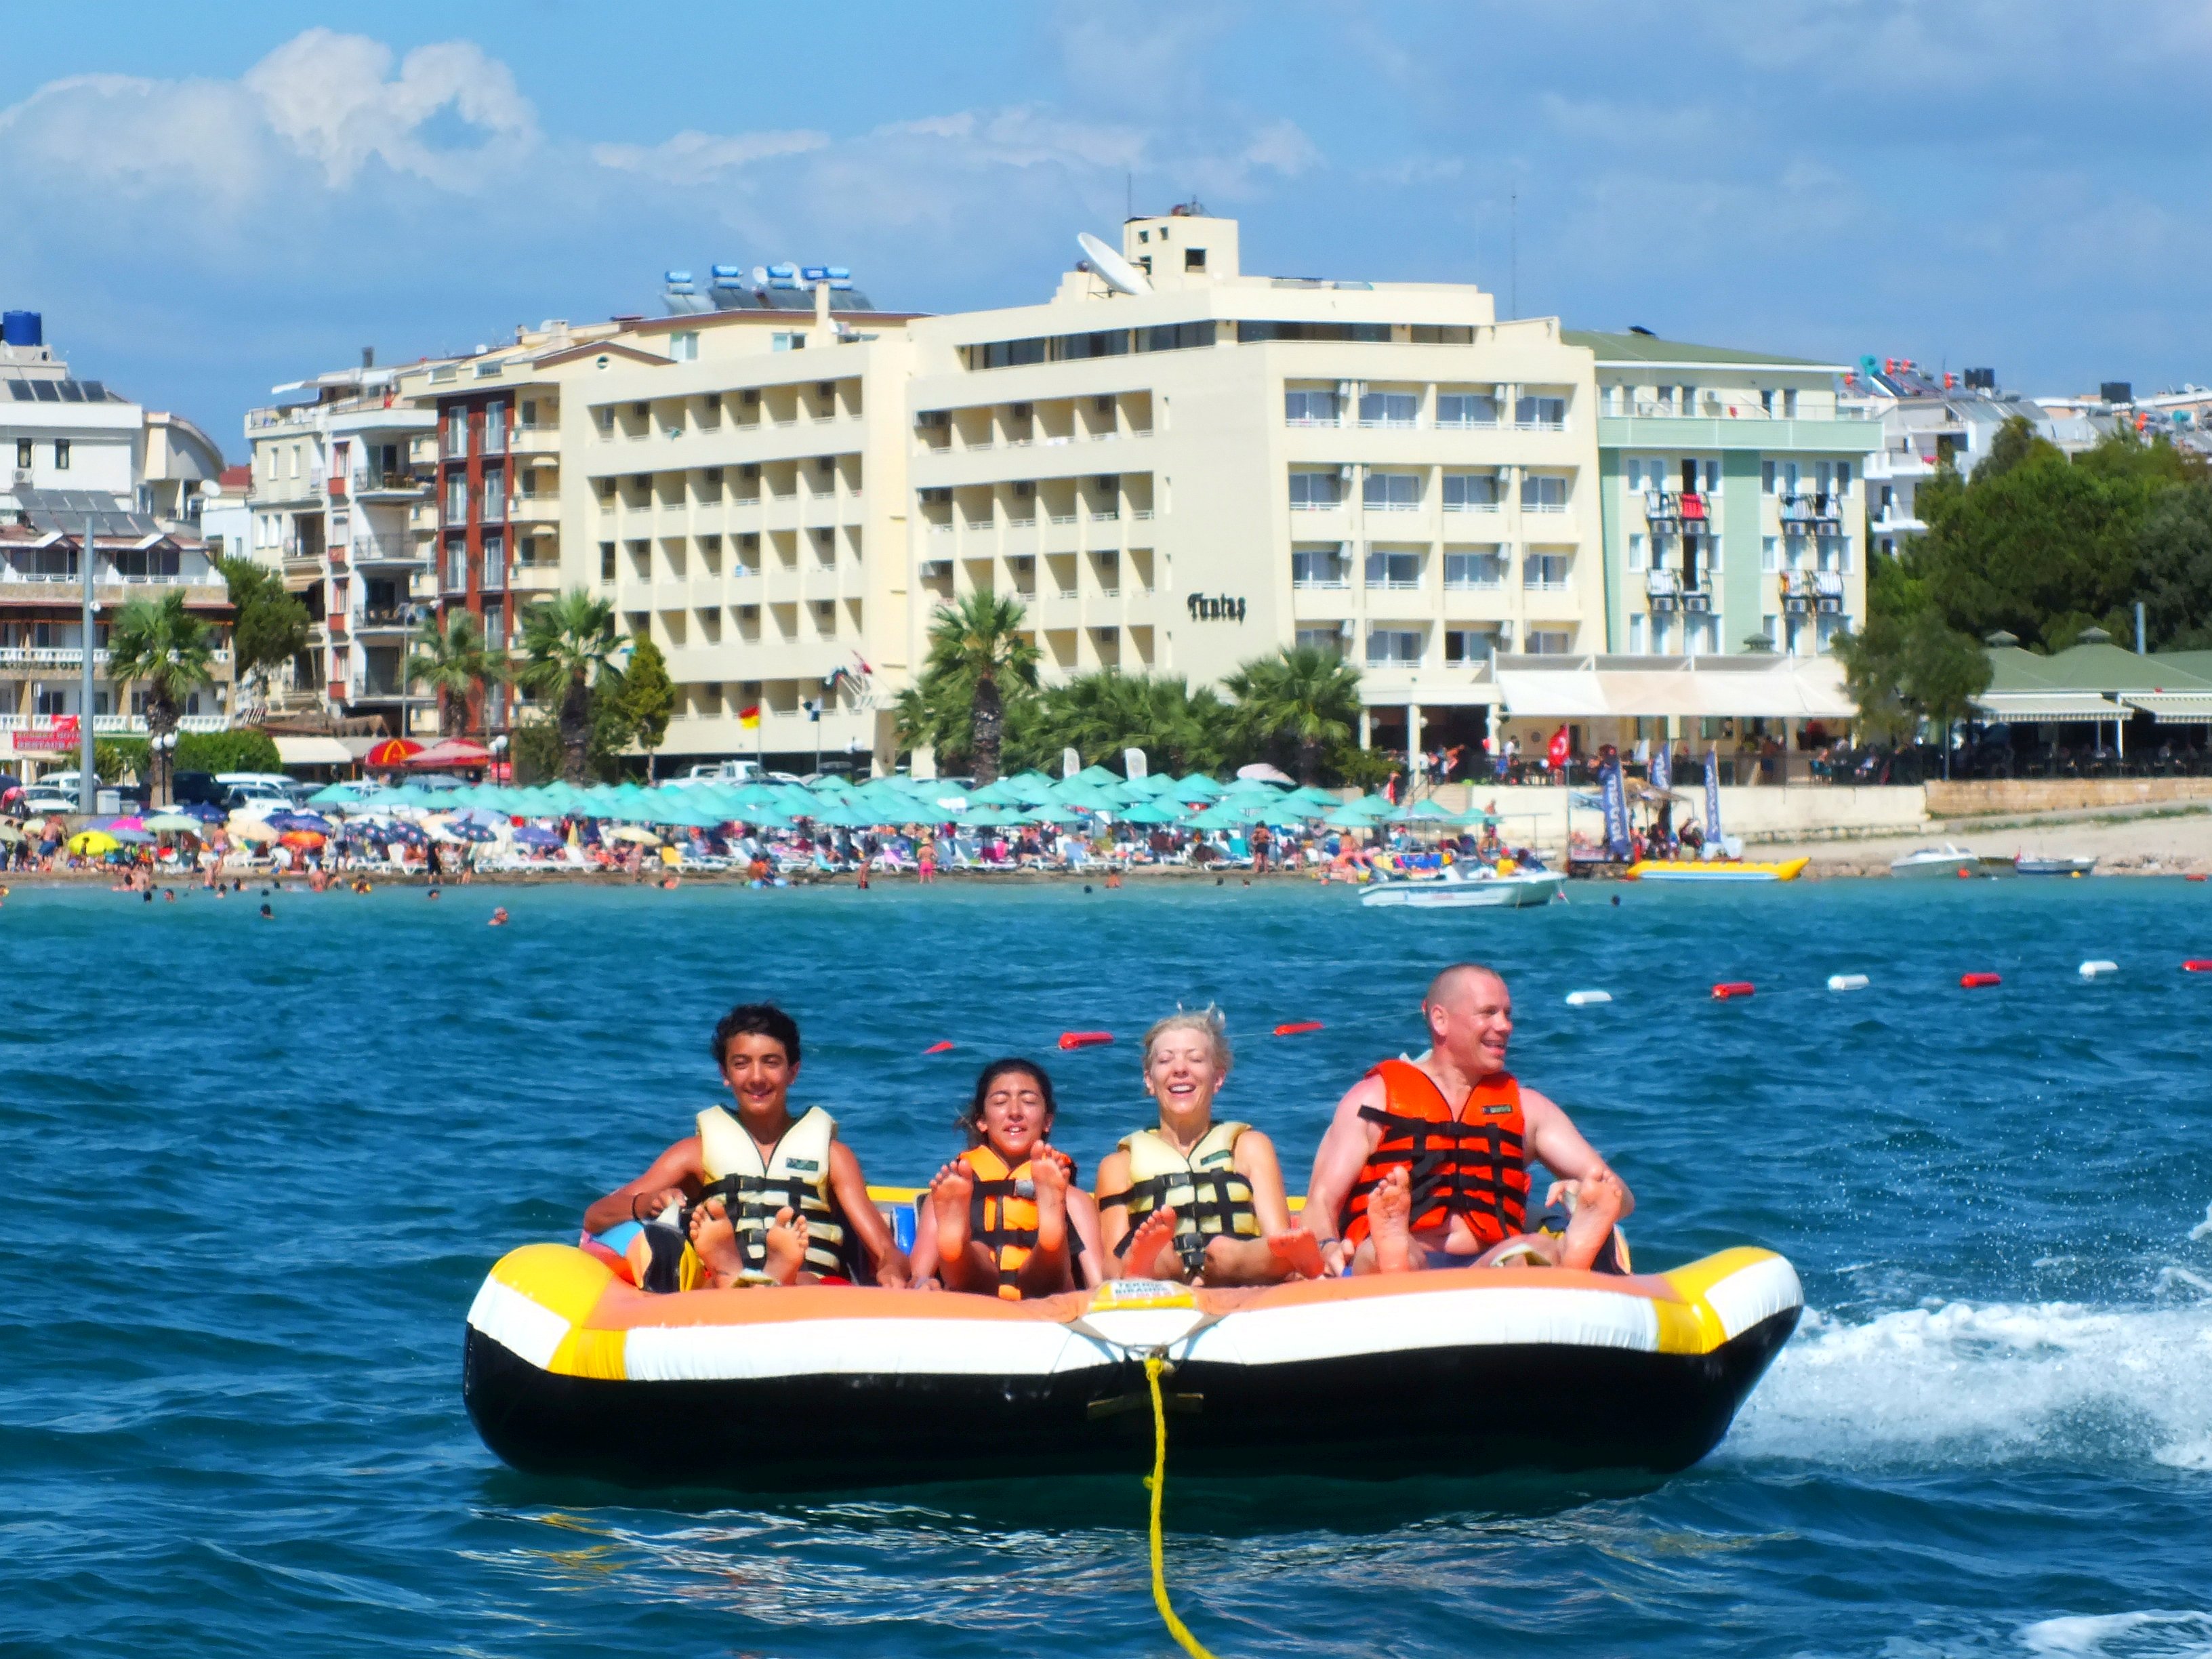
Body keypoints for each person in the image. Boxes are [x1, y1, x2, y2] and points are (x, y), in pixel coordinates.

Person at [1303, 963, 1632, 1276]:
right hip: (1406, 1256)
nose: (1505, 1026)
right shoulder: (1373, 1101)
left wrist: (1582, 1193)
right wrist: (1327, 1246)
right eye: (1488, 1013)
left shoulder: (1528, 1109)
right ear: (1440, 1020)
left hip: (1487, 1264)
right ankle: (1394, 1255)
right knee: (1380, 1251)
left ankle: (1573, 1254)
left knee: (1533, 1249)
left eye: (1507, 1014)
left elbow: (1621, 1196)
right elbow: (1321, 1201)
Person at [582, 1003, 911, 1290]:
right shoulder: (693, 1153)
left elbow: (885, 1249)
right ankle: (734, 1270)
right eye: (741, 1064)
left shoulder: (833, 1156)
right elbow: (596, 1216)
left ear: (793, 1072)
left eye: (771, 1062)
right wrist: (647, 1203)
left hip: (809, 1287)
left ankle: (774, 1273)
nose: (756, 1077)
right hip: (724, 1291)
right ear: (725, 1073)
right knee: (711, 1283)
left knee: (807, 1281)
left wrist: (892, 1269)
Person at [1094, 1009, 1322, 1285]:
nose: (1180, 1069)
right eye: (1165, 1060)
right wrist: (1134, 1259)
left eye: (1195, 1059)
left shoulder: (1249, 1147)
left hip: (1237, 1271)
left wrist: (1282, 1248)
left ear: (1218, 1078)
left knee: (1224, 1251)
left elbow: (1277, 1232)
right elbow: (1110, 1260)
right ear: (1149, 1080)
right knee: (1162, 1254)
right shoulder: (1119, 1165)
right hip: (1162, 1276)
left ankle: (1291, 1258)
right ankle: (1144, 1263)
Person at [915, 1059, 1107, 1298]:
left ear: (1048, 1121)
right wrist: (924, 1282)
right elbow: (917, 1276)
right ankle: (957, 1249)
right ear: (982, 1121)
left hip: (1045, 1297)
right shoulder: (952, 1194)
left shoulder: (1073, 1200)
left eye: (1029, 1101)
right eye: (1000, 1102)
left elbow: (1099, 1284)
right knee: (977, 1252)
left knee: (1049, 1256)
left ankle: (1050, 1240)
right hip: (974, 1296)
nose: (1015, 1112)